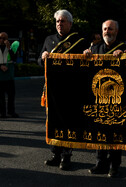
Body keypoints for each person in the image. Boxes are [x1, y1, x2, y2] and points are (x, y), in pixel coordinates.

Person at [38, 9, 87, 171]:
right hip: (52, 89)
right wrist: (43, 57)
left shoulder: (79, 41)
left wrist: (88, 54)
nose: (60, 24)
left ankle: (67, 156)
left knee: (68, 124)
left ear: (70, 24)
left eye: (63, 21)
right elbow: (39, 61)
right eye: (58, 21)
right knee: (53, 122)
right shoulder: (48, 39)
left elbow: (87, 63)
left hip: (70, 90)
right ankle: (55, 154)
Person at [83, 19, 126, 178]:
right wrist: (85, 56)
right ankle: (100, 163)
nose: (107, 32)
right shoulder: (94, 48)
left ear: (117, 31)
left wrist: (124, 57)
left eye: (111, 29)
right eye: (105, 29)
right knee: (99, 132)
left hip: (117, 99)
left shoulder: (125, 48)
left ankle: (115, 165)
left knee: (115, 134)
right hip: (98, 98)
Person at [0, 32, 19, 119]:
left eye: (4, 38)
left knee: (11, 94)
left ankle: (11, 111)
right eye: (0, 38)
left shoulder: (11, 48)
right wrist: (0, 66)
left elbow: (14, 58)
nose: (2, 40)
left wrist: (9, 48)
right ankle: (2, 113)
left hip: (8, 74)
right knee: (1, 95)